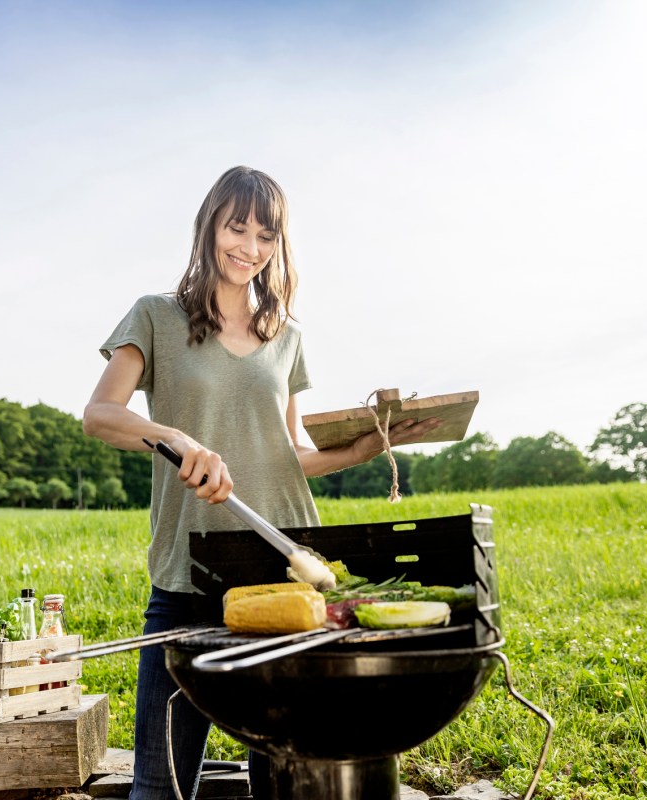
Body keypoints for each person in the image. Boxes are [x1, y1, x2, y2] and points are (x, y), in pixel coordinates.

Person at [83, 165, 440, 800]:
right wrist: (178, 438)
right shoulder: (156, 316)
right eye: (237, 227)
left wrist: (359, 450)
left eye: (266, 234)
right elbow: (100, 415)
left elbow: (286, 454)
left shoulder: (287, 335)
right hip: (187, 572)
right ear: (209, 229)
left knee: (283, 782)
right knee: (158, 788)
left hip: (284, 567)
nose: (250, 247)